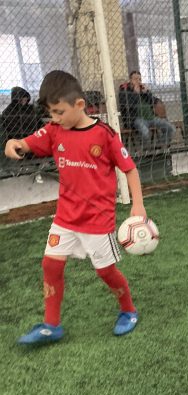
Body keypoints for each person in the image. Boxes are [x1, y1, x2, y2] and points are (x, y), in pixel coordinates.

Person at [4, 70, 146, 345]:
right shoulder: (54, 131)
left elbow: (130, 169)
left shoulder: (104, 135)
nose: (54, 118)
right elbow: (27, 143)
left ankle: (128, 310)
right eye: (50, 113)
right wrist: (14, 143)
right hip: (65, 219)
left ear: (79, 104)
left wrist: (137, 205)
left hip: (97, 220)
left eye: (59, 112)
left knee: (105, 272)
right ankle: (51, 325)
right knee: (50, 265)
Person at [118, 71, 175, 147]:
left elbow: (154, 101)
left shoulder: (142, 90)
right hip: (136, 119)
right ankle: (146, 151)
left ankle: (159, 146)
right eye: (135, 79)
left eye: (139, 79)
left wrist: (147, 92)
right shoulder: (124, 90)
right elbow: (127, 105)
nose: (138, 81)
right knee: (145, 133)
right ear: (130, 80)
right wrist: (135, 93)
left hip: (151, 118)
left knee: (171, 128)